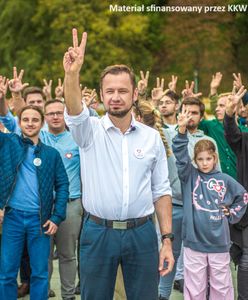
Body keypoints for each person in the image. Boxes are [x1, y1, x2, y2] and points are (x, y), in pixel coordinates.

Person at [63, 28, 174, 300]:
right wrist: (72, 73)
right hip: (98, 233)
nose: (116, 96)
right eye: (109, 91)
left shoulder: (151, 138)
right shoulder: (88, 131)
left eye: (123, 91)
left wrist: (167, 240)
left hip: (142, 234)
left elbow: (161, 190)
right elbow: (75, 109)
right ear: (100, 96)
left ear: (135, 94)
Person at [172, 104, 248, 300]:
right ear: (195, 161)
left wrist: (232, 213)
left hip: (220, 244)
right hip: (193, 244)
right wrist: (181, 131)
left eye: (208, 158)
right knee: (194, 289)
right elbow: (180, 157)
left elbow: (243, 196)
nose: (205, 162)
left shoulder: (225, 179)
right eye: (200, 159)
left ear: (215, 158)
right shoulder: (190, 176)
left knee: (221, 288)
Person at [0, 103, 69, 300]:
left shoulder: (51, 154)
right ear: (19, 123)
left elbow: (63, 185)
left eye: (35, 120)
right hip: (12, 217)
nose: (30, 124)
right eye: (25, 120)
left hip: (40, 221)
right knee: (6, 273)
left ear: (42, 123)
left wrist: (57, 217)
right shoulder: (8, 143)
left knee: (40, 273)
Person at [133, 100, 182, 300]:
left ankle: (158, 294)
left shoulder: (154, 140)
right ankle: (162, 294)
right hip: (168, 205)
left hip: (159, 207)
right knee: (169, 254)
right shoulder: (165, 135)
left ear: (138, 119)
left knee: (156, 256)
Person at [223, 85, 248, 300]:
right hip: (247, 215)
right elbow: (232, 135)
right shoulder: (245, 141)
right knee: (247, 259)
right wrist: (230, 114)